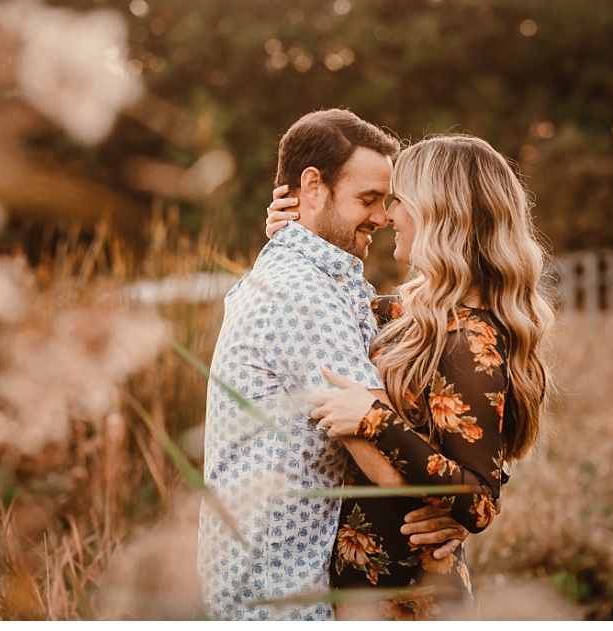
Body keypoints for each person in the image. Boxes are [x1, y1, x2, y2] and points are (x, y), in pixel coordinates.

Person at [263, 133, 556, 619]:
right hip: (370, 591)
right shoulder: (419, 315)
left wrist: (375, 419)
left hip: (413, 602)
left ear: (441, 213)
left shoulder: (470, 340)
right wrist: (294, 239)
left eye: (399, 200)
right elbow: (334, 308)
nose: (386, 215)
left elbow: (480, 501)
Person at [196, 109, 467, 621]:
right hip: (283, 596)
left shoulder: (315, 281)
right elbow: (388, 466)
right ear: (312, 187)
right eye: (368, 200)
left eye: (387, 202)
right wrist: (457, 508)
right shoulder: (304, 295)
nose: (383, 217)